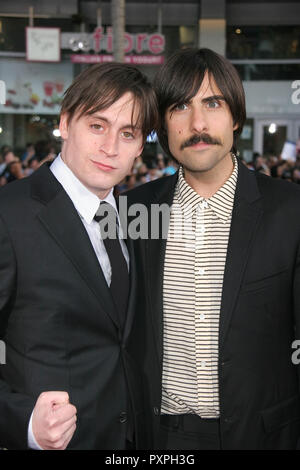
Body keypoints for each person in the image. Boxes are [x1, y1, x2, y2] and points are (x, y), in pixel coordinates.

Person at [126, 48, 300, 449]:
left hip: (263, 434)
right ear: (163, 125)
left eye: (213, 103)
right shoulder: (133, 212)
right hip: (162, 437)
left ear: (235, 116)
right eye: (180, 106)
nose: (197, 123)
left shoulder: (290, 211)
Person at [0, 62, 157, 450]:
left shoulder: (134, 218)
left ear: (140, 145)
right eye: (97, 126)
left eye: (128, 133)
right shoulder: (9, 214)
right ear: (66, 123)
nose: (111, 148)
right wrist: (22, 423)